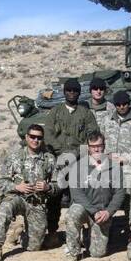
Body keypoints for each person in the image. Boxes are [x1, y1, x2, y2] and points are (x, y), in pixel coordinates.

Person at [43, 78, 99, 245]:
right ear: (64, 92)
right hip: (60, 161)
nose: (72, 93)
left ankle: (80, 233)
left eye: (75, 91)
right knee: (54, 195)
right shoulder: (55, 112)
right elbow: (48, 134)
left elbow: (93, 137)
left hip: (80, 160)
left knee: (80, 196)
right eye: (69, 91)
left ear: (79, 93)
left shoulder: (86, 114)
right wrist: (61, 153)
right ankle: (52, 231)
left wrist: (75, 154)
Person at [0, 124, 56, 261]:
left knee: (34, 247)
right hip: (17, 198)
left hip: (37, 202)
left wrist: (48, 186)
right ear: (26, 137)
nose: (35, 140)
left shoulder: (49, 159)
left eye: (39, 137)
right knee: (4, 210)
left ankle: (20, 234)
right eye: (32, 136)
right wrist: (17, 187)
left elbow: (58, 185)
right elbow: (2, 182)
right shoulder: (15, 157)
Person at [58, 132, 125, 261]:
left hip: (103, 212)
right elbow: (76, 193)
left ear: (104, 146)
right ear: (88, 147)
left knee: (97, 253)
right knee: (73, 213)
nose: (96, 149)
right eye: (93, 146)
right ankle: (72, 251)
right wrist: (93, 211)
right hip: (86, 209)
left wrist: (108, 212)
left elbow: (120, 192)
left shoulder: (114, 167)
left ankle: (87, 237)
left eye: (99, 145)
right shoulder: (78, 166)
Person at [101, 89, 131, 191]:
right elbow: (100, 141)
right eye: (118, 104)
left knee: (130, 202)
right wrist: (105, 156)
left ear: (129, 103)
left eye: (124, 104)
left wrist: (126, 158)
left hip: (130, 169)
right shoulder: (106, 120)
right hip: (109, 168)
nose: (121, 107)